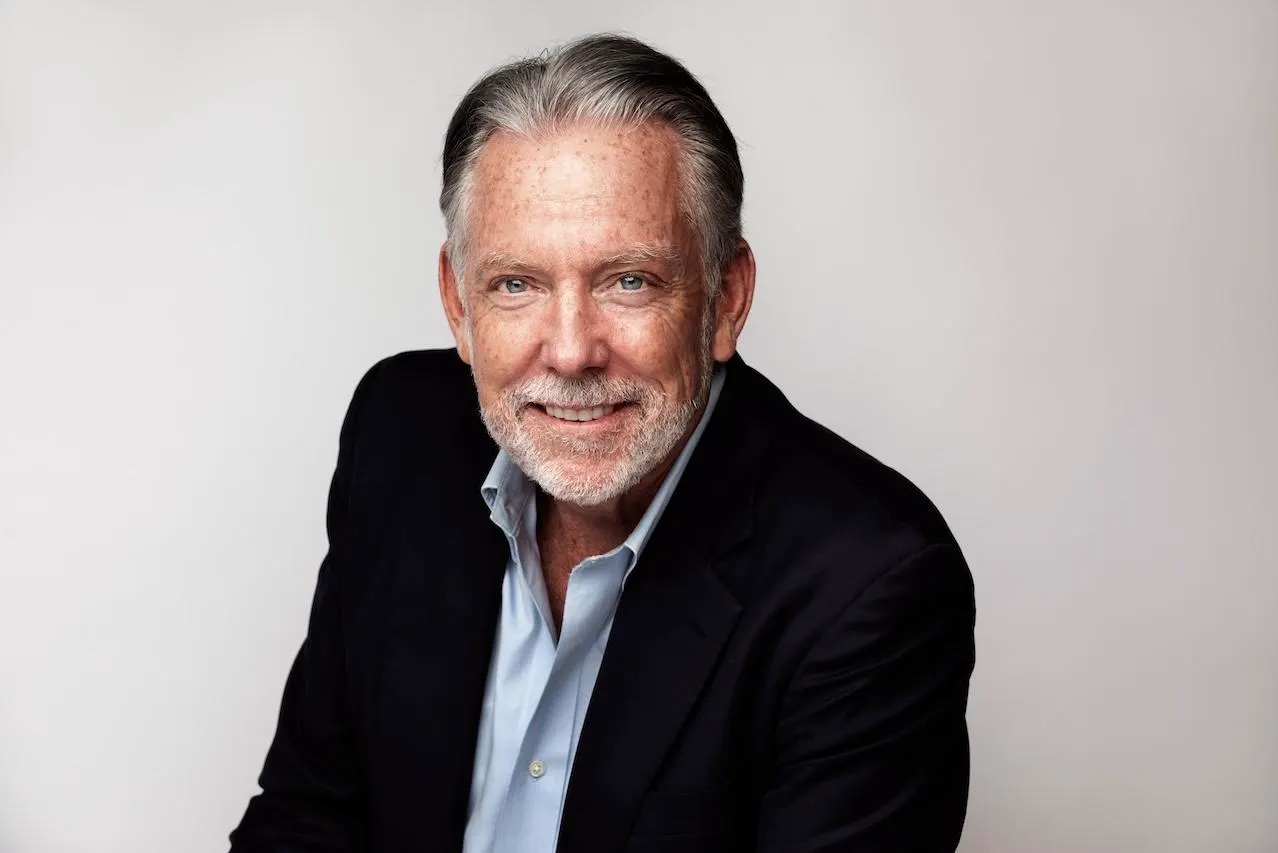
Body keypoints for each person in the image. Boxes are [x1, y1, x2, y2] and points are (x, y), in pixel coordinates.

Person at [230, 33, 975, 853]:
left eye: (629, 281)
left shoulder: (867, 584)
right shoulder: (400, 436)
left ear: (726, 298)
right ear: (458, 304)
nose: (571, 350)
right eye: (517, 284)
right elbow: (307, 819)